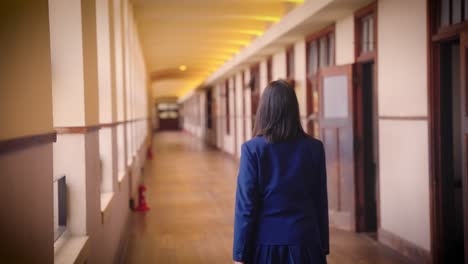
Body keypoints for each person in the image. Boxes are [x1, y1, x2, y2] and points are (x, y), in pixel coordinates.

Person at [233, 80, 329, 264]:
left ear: (264, 111)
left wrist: (239, 254)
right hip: (307, 244)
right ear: (294, 110)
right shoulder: (315, 148)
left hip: (266, 246)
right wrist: (322, 245)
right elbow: (320, 201)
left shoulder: (252, 150)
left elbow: (246, 207)